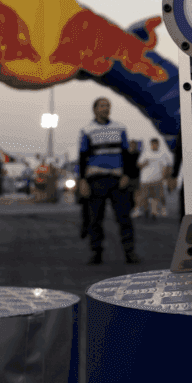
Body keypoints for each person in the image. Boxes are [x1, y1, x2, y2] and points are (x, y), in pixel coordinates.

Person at [78, 97, 140, 265]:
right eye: (102, 106)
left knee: (124, 218)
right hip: (95, 180)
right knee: (95, 219)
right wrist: (82, 180)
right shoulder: (87, 130)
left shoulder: (120, 128)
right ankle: (96, 252)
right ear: (95, 109)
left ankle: (130, 252)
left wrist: (126, 175)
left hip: (117, 180)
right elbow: (82, 157)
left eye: (108, 106)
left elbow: (126, 154)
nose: (106, 108)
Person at [137, 138, 173, 220]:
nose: (154, 145)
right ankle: (146, 210)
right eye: (153, 144)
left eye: (156, 144)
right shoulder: (145, 153)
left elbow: (165, 166)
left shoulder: (162, 154)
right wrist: (144, 164)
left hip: (157, 179)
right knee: (144, 197)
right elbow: (139, 164)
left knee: (156, 197)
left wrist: (164, 177)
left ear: (158, 144)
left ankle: (154, 213)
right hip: (145, 179)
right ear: (150, 144)